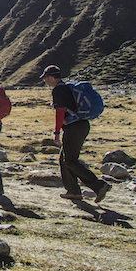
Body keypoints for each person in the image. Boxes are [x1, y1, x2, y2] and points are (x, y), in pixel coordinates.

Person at [41, 65, 111, 203]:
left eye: (45, 78)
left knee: (70, 160)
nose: (45, 81)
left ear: (50, 77)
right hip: (81, 125)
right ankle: (73, 191)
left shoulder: (58, 90)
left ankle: (98, 185)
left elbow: (59, 112)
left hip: (73, 128)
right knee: (64, 159)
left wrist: (56, 132)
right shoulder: (67, 88)